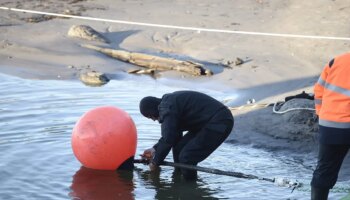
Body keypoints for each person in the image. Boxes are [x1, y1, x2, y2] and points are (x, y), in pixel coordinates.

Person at [139, 90, 234, 180]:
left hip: (220, 121)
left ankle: (190, 187)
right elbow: (172, 135)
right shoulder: (168, 104)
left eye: (150, 116)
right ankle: (178, 178)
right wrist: (154, 149)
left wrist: (155, 162)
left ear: (152, 110)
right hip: (205, 123)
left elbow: (168, 139)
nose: (154, 120)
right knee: (179, 148)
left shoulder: (167, 109)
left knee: (187, 157)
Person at [311, 53, 350, 199]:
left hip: (330, 125)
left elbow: (319, 89)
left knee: (324, 170)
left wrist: (322, 114)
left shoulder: (336, 61)